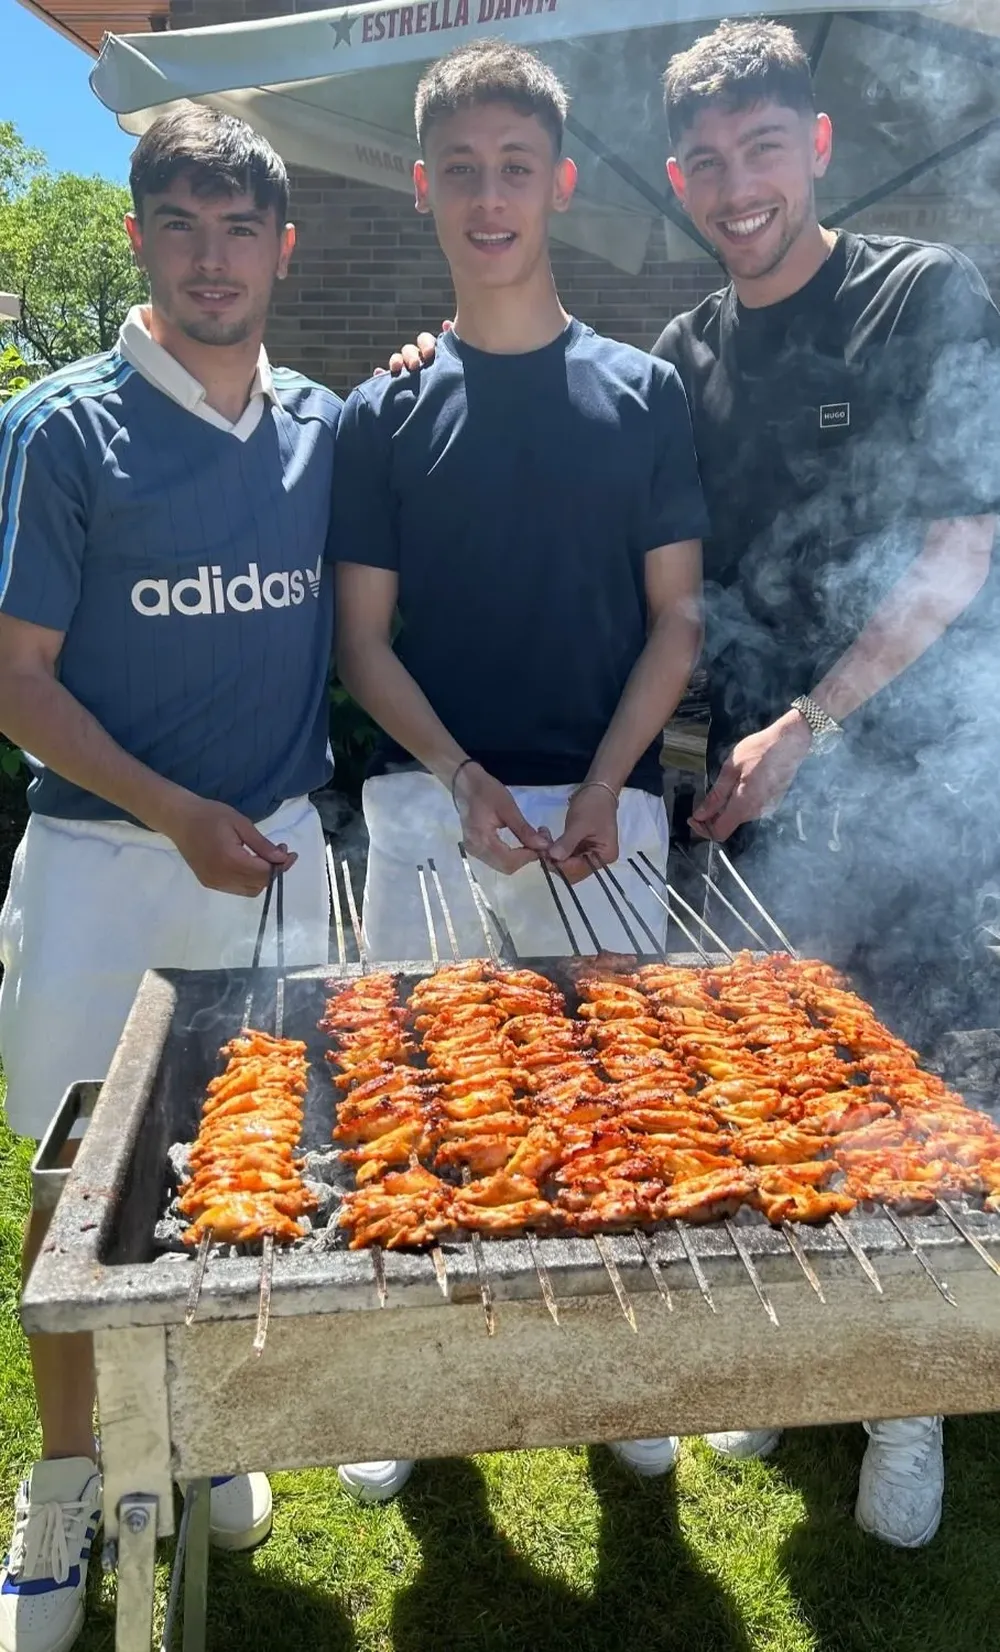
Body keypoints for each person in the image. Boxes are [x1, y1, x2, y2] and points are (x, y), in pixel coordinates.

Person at [386, 20, 1000, 1549]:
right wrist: (418, 357)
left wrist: (817, 718)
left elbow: (957, 553)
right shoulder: (684, 359)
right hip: (749, 799)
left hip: (909, 776)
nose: (739, 188)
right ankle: (791, 1355)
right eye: (709, 163)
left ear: (817, 148)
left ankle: (907, 1401)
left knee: (910, 1096)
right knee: (766, 1088)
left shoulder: (923, 297)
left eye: (764, 150)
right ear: (676, 176)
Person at [330, 40, 705, 1500]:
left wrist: (606, 780)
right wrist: (460, 770)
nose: (492, 198)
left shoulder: (644, 392)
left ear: (556, 180)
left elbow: (677, 615)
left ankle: (628, 1375)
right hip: (435, 801)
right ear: (424, 189)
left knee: (623, 1103)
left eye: (517, 168)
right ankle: (412, 1393)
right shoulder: (382, 413)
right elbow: (365, 641)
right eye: (462, 171)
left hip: (611, 808)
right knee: (418, 1097)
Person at [0, 109, 339, 1652]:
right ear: (137, 237)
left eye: (240, 228)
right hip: (103, 863)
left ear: (284, 248)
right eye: (182, 224)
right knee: (76, 1187)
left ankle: (199, 1435)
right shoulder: (61, 428)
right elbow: (18, 680)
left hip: (271, 858)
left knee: (249, 1155)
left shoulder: (330, 420)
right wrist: (169, 808)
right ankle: (62, 1485)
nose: (213, 258)